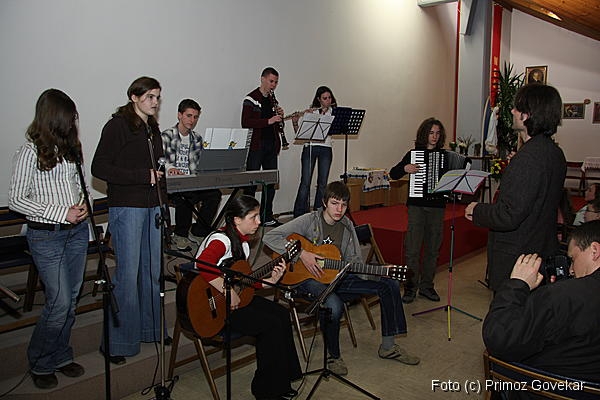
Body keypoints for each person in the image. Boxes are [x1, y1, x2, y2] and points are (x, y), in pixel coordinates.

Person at [264, 181, 419, 376]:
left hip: (338, 276)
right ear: (324, 202)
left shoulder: (347, 226)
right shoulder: (309, 220)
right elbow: (270, 237)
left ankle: (388, 347)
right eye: (334, 203)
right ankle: (333, 356)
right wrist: (302, 254)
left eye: (344, 205)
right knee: (333, 305)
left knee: (389, 283)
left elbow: (354, 262)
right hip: (306, 280)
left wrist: (379, 271)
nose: (339, 209)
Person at [8, 89, 89, 389]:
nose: (73, 122)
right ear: (53, 117)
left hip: (76, 233)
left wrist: (84, 203)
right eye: (69, 117)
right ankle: (40, 361)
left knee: (71, 302)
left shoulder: (71, 149)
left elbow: (80, 185)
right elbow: (17, 199)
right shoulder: (30, 152)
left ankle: (61, 355)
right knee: (59, 302)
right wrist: (60, 212)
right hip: (46, 237)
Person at [195, 195, 301, 400]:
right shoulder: (221, 241)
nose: (259, 222)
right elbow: (202, 264)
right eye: (253, 217)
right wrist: (227, 292)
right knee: (270, 325)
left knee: (281, 314)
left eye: (258, 216)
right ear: (237, 220)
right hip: (212, 307)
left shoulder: (243, 245)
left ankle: (282, 379)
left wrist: (271, 280)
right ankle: (265, 390)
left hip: (233, 299)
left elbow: (243, 281)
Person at [92, 76, 167, 365]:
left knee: (152, 271)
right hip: (127, 206)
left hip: (152, 206)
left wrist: (163, 186)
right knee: (128, 274)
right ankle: (118, 342)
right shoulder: (118, 125)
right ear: (134, 97)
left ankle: (151, 329)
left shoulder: (152, 127)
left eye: (157, 97)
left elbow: (155, 166)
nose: (155, 102)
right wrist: (141, 176)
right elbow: (99, 167)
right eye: (149, 97)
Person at [465, 84, 567, 291]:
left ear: (528, 114)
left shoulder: (528, 157)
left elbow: (509, 215)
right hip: (541, 249)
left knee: (509, 310)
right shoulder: (555, 152)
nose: (512, 111)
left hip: (519, 257)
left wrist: (477, 210)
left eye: (517, 108)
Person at [483, 220, 600, 388]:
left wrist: (517, 284)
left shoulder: (559, 296)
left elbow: (498, 339)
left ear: (594, 251)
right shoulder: (564, 295)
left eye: (573, 259)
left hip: (547, 387)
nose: (571, 270)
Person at [389, 118, 449, 303]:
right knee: (413, 249)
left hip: (437, 207)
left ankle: (427, 286)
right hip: (416, 206)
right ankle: (410, 287)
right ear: (424, 134)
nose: (434, 137)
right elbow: (393, 173)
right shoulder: (413, 154)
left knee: (433, 249)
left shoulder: (446, 156)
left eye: (437, 133)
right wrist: (405, 168)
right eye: (431, 133)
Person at [161, 99, 221, 250]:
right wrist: (170, 168)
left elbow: (200, 164)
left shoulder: (197, 139)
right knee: (185, 196)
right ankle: (180, 234)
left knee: (214, 194)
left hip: (193, 182)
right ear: (179, 115)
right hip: (172, 184)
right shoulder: (166, 136)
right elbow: (159, 160)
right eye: (189, 116)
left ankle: (198, 231)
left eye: (195, 117)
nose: (192, 120)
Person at [241, 67, 285, 227]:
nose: (273, 85)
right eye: (271, 81)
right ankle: (247, 217)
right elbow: (245, 122)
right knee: (251, 183)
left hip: (271, 145)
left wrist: (280, 117)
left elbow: (276, 125)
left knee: (270, 183)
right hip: (256, 146)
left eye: (276, 82)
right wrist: (269, 121)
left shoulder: (273, 100)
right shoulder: (251, 98)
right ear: (263, 79)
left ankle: (266, 216)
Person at [292, 86, 337, 218]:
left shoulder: (334, 113)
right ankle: (299, 214)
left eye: (329, 98)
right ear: (319, 99)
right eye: (325, 98)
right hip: (310, 147)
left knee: (323, 183)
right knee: (305, 182)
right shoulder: (311, 112)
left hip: (326, 147)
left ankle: (319, 212)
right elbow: (300, 134)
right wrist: (295, 122)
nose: (328, 101)